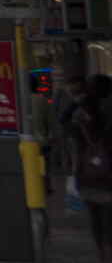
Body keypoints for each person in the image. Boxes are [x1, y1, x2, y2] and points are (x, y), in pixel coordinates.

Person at [72, 73, 112, 262]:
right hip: (107, 173)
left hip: (88, 172)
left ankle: (101, 254)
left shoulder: (82, 111)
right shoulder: (107, 109)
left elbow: (65, 123)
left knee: (96, 216)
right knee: (107, 218)